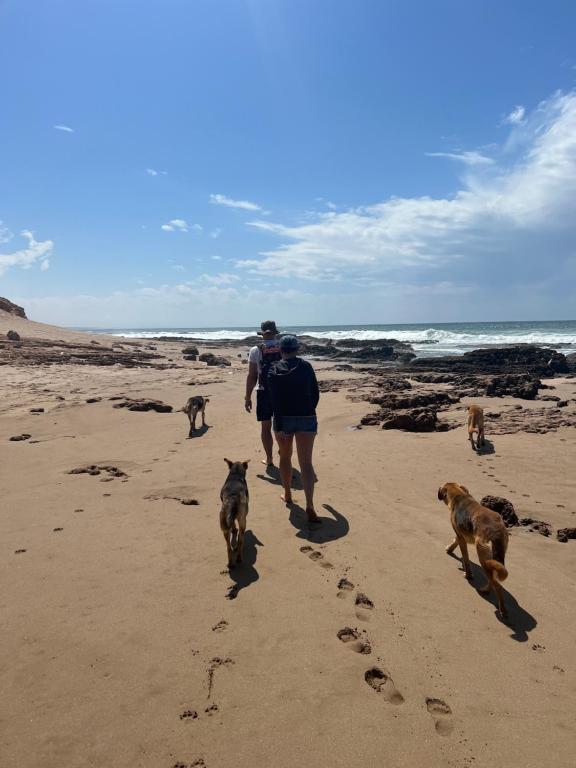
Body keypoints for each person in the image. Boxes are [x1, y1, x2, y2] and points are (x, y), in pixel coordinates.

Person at [267, 334, 320, 524]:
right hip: (306, 417)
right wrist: (309, 410)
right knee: (306, 463)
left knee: (285, 457)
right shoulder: (306, 366)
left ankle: (288, 494)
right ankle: (310, 504)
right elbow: (315, 393)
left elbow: (274, 400)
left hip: (283, 420)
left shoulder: (274, 369)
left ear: (280, 350)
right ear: (297, 349)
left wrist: (279, 424)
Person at [245, 320, 282, 467]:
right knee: (282, 425)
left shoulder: (256, 350)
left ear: (262, 333)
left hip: (263, 391)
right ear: (275, 332)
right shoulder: (282, 347)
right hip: (282, 392)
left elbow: (252, 375)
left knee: (265, 427)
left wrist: (247, 397)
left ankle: (269, 458)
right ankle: (283, 451)